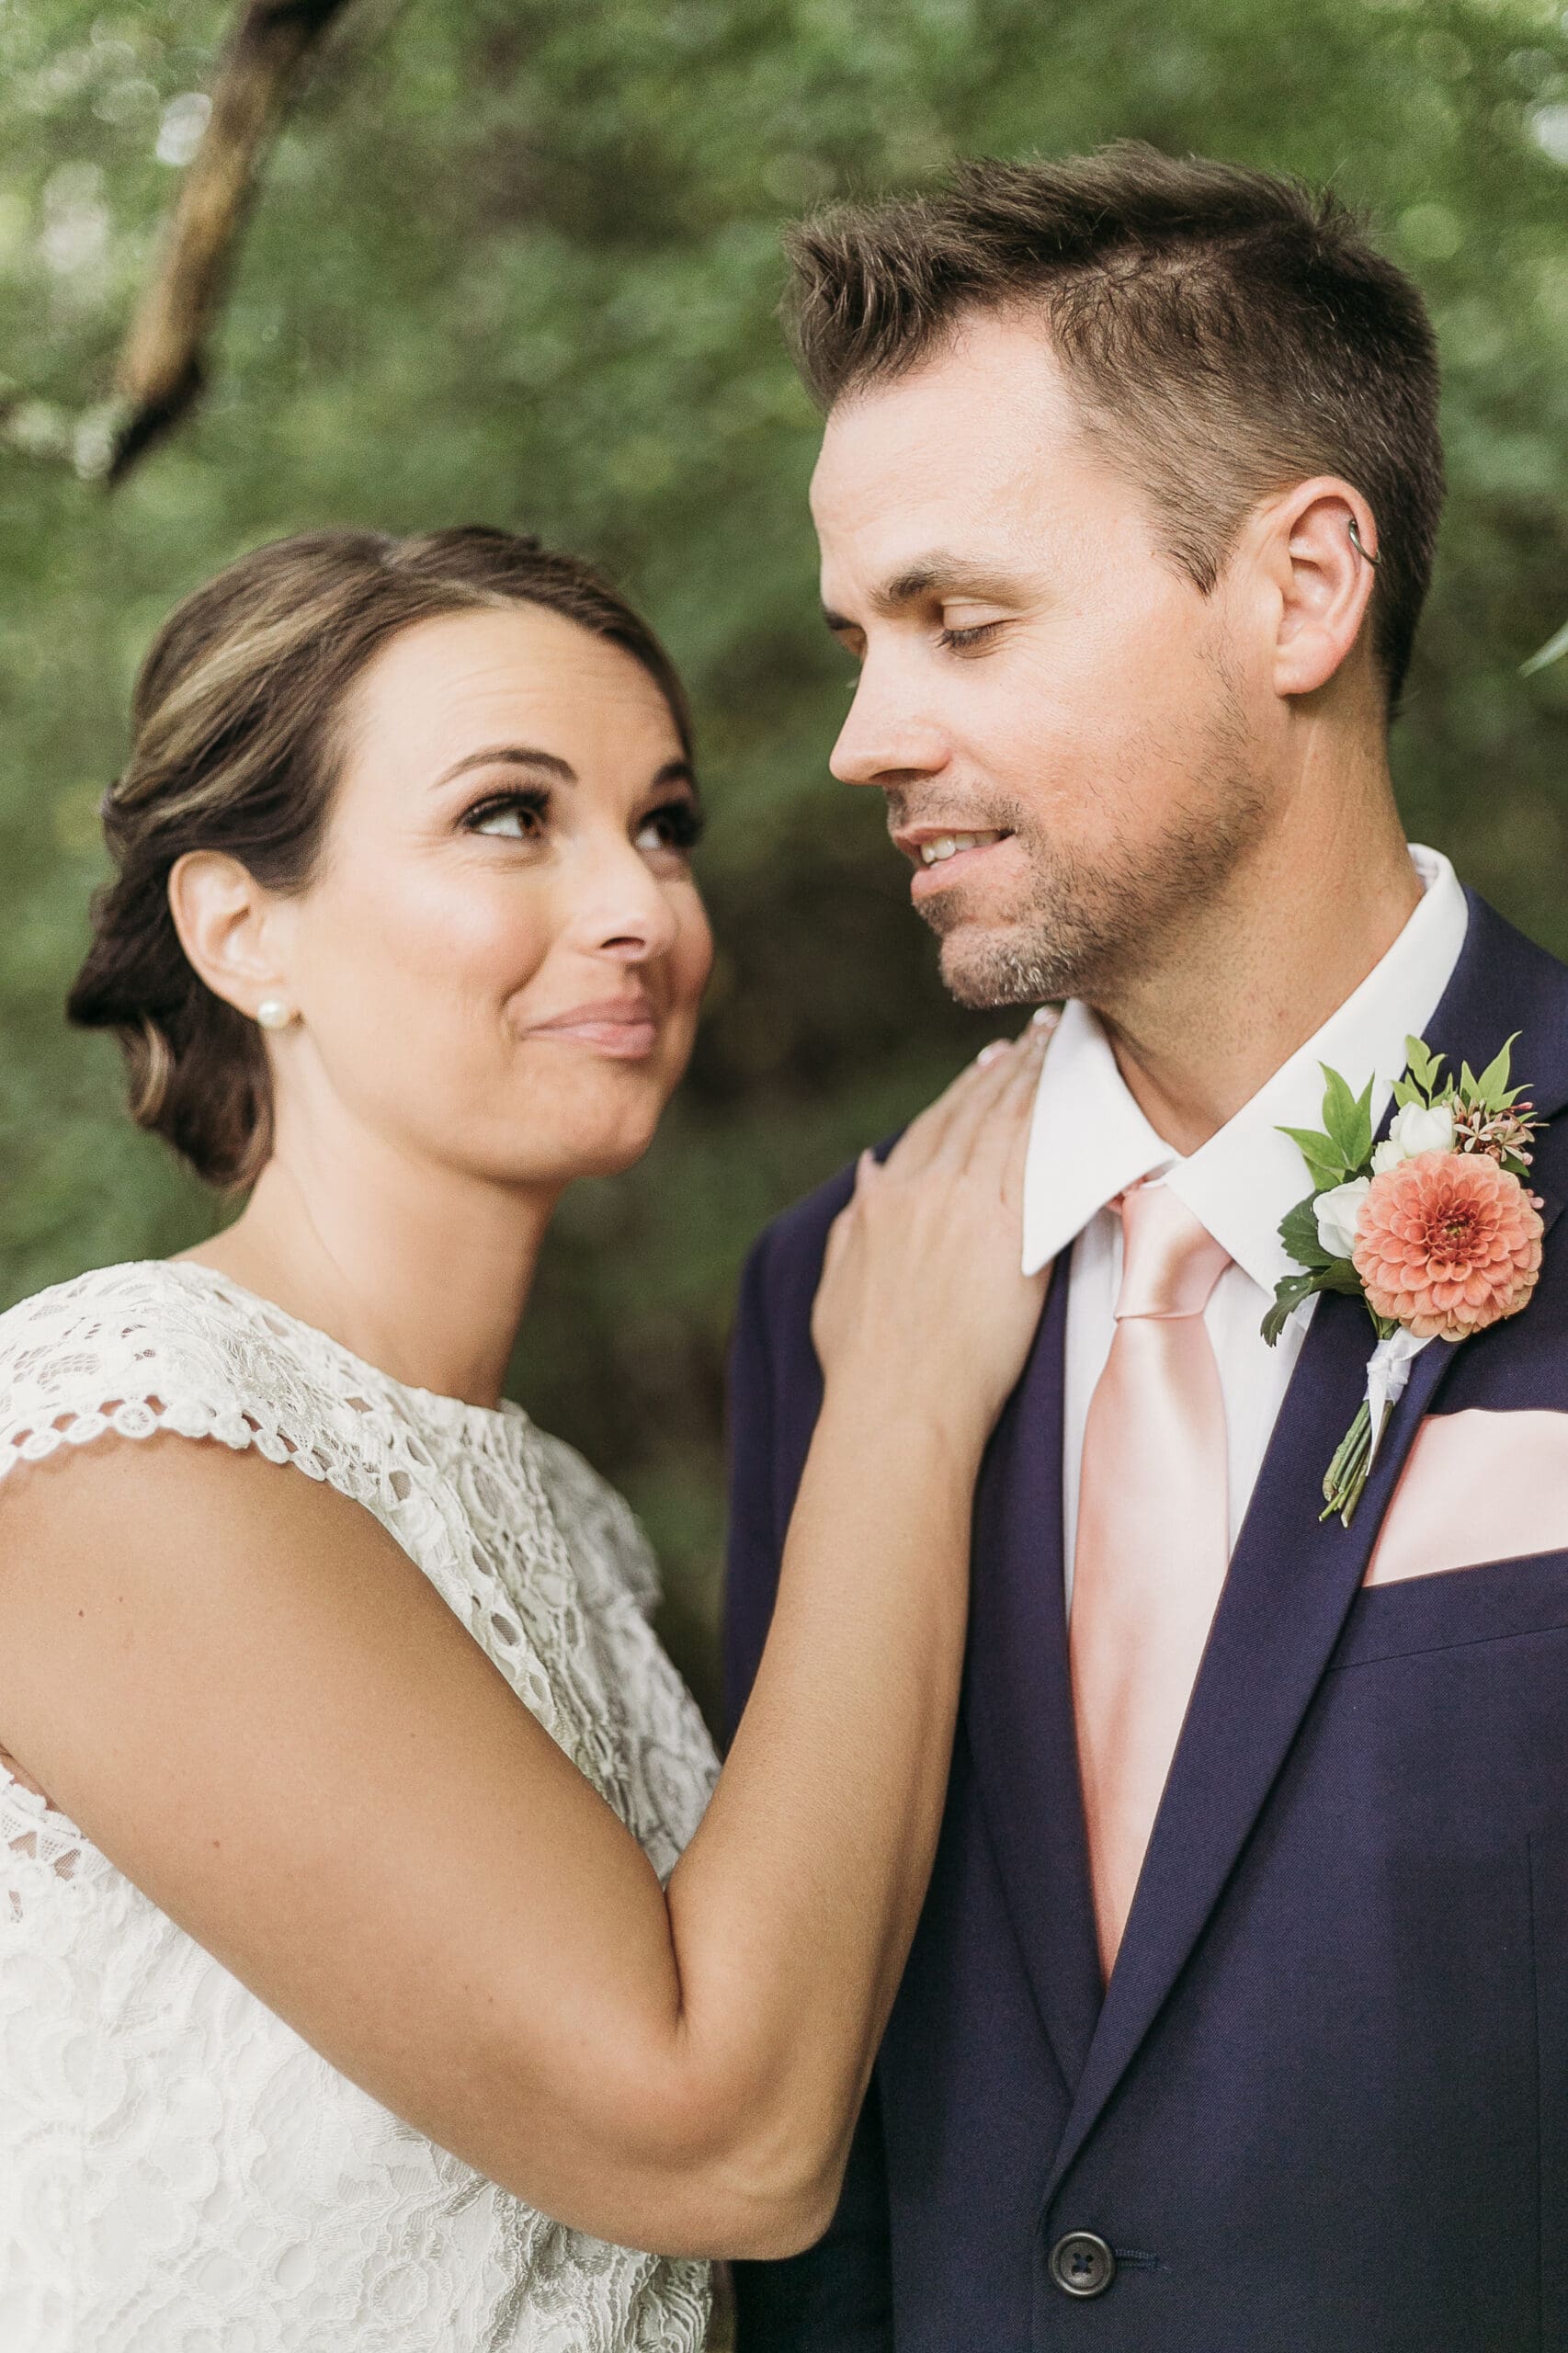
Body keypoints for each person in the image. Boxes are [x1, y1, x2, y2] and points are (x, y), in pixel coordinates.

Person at [0, 523, 1052, 2351]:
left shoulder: (566, 1512)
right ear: (241, 925)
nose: (640, 906)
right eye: (509, 814)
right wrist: (897, 1394)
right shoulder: (122, 1441)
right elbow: (719, 2137)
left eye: (661, 823)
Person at [725, 143, 1568, 2349]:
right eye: (856, 640)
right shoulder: (830, 1290)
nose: (860, 740)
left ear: (1298, 587)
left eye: (960, 621)